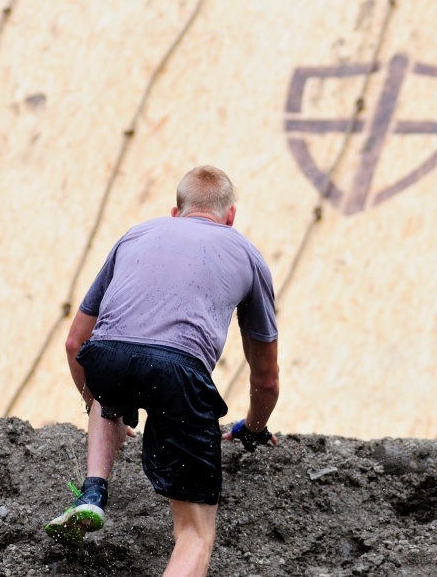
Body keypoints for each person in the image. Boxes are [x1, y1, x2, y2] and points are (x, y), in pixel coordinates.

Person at [44, 165, 279, 576]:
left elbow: (74, 344)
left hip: (105, 359)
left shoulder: (135, 235)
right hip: (178, 371)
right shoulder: (246, 253)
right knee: (195, 535)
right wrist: (253, 428)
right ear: (231, 216)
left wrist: (94, 401)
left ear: (175, 212)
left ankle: (93, 490)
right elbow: (266, 378)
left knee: (107, 389)